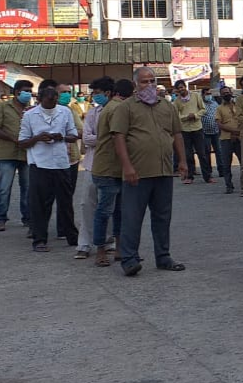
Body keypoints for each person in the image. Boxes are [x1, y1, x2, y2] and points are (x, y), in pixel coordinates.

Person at [111, 67, 187, 276]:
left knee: (162, 217)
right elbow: (118, 138)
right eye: (144, 81)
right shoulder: (126, 108)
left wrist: (182, 161)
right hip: (138, 172)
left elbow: (177, 134)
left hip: (163, 171)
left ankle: (163, 257)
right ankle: (129, 259)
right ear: (136, 84)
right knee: (132, 217)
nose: (149, 85)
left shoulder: (167, 106)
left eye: (152, 81)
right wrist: (127, 167)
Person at [19, 83, 79, 252]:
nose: (52, 103)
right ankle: (39, 239)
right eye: (48, 101)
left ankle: (71, 235)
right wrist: (38, 138)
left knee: (65, 202)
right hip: (39, 163)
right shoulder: (30, 116)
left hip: (61, 163)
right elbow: (22, 142)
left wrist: (62, 137)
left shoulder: (65, 112)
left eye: (54, 100)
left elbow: (73, 135)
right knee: (39, 204)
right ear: (40, 100)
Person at [91, 79, 133, 267]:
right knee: (105, 211)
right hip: (108, 168)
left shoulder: (113, 107)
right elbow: (120, 137)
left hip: (115, 168)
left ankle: (118, 248)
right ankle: (101, 250)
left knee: (117, 211)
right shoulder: (117, 109)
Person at [74, 77, 113, 260]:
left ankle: (108, 241)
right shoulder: (92, 113)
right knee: (87, 204)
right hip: (92, 164)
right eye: (93, 93)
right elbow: (86, 138)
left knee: (110, 205)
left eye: (97, 92)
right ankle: (84, 244)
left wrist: (100, 139)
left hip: (113, 164)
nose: (94, 96)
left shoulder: (118, 110)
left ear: (107, 92)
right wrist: (108, 140)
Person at [0, 80, 32, 232]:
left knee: (27, 188)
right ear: (16, 92)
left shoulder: (31, 109)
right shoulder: (2, 107)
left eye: (30, 91)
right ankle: (0, 218)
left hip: (27, 154)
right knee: (3, 188)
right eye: (25, 91)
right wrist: (13, 139)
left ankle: (27, 218)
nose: (28, 94)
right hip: (6, 153)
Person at [56, 82, 83, 240]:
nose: (67, 94)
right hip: (49, 160)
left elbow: (80, 131)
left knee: (66, 195)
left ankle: (64, 228)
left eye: (68, 92)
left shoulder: (71, 110)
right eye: (63, 92)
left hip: (70, 158)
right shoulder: (40, 111)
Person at [172, 79, 211, 184]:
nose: (181, 89)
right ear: (177, 90)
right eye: (179, 88)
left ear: (185, 87)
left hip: (197, 128)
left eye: (182, 87)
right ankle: (189, 176)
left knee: (202, 153)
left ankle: (207, 176)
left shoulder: (196, 96)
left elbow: (203, 109)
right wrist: (186, 117)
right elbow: (176, 116)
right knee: (188, 154)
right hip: (185, 130)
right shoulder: (176, 101)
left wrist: (195, 115)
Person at [216, 85, 243, 194]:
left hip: (239, 138)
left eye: (227, 92)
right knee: (226, 164)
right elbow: (219, 124)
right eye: (223, 93)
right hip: (226, 139)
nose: (226, 94)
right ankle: (229, 186)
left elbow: (242, 120)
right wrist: (233, 131)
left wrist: (238, 132)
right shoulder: (219, 108)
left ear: (231, 92)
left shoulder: (238, 105)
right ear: (221, 95)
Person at [201, 86, 223, 181]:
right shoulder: (200, 104)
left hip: (216, 131)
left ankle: (222, 170)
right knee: (206, 153)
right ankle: (208, 172)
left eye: (210, 94)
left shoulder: (215, 104)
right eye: (207, 94)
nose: (209, 96)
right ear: (202, 95)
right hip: (205, 132)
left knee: (219, 151)